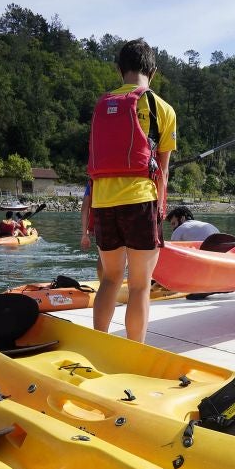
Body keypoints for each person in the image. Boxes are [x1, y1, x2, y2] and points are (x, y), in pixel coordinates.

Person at [88, 38, 176, 340]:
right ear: (153, 71)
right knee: (140, 284)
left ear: (119, 70)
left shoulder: (103, 104)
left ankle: (99, 342)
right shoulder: (162, 108)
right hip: (140, 201)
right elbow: (162, 170)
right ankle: (134, 351)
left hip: (102, 202)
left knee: (110, 279)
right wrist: (160, 209)